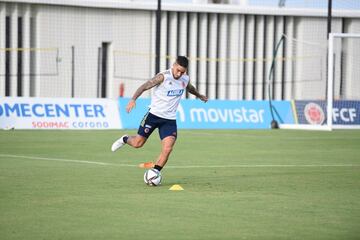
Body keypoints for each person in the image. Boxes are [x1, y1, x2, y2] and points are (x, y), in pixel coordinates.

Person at [111, 56, 208, 172]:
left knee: (167, 149)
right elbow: (144, 86)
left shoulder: (185, 79)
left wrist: (199, 95)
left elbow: (190, 88)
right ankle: (125, 139)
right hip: (153, 116)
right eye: (178, 70)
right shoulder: (163, 77)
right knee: (138, 143)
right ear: (174, 65)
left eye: (182, 72)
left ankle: (155, 173)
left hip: (169, 120)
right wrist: (133, 99)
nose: (179, 74)